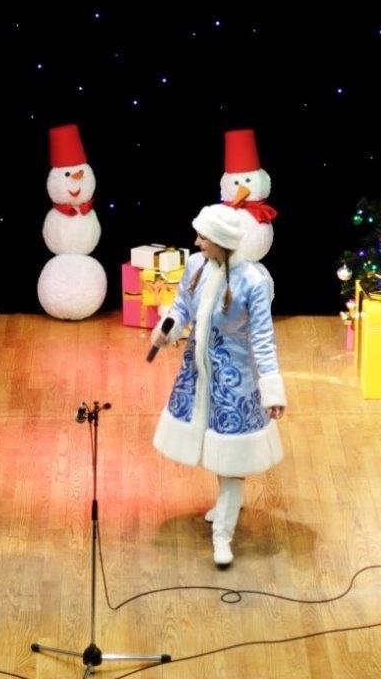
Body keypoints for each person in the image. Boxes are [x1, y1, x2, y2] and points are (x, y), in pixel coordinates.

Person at [151, 204, 286, 567]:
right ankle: (228, 502)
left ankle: (223, 534)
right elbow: (182, 306)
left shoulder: (253, 282)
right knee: (216, 444)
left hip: (235, 380)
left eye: (203, 238)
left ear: (221, 242)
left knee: (232, 456)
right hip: (199, 375)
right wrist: (168, 329)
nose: (197, 243)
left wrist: (271, 390)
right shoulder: (197, 266)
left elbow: (263, 339)